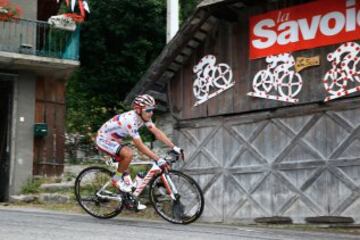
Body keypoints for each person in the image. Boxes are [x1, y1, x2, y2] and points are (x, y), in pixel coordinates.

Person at [95, 94, 182, 210]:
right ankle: (116, 181)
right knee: (128, 154)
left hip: (115, 140)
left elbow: (157, 132)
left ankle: (129, 198)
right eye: (148, 110)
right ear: (138, 110)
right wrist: (157, 159)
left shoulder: (144, 116)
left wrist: (174, 147)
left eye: (153, 110)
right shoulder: (130, 120)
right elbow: (140, 146)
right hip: (103, 139)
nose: (151, 113)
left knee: (127, 160)